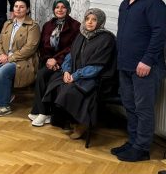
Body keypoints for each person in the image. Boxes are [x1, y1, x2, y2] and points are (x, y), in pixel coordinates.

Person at [113, 0, 166, 162]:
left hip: (145, 67)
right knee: (129, 106)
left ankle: (142, 148)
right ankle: (133, 141)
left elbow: (159, 34)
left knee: (143, 109)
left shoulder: (155, 4)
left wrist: (147, 60)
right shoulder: (124, 4)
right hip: (125, 66)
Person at [42, 8, 117, 140]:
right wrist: (66, 71)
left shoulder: (106, 39)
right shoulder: (82, 34)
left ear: (100, 22)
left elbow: (97, 67)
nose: (89, 22)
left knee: (70, 90)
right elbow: (70, 56)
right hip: (75, 73)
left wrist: (75, 76)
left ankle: (81, 124)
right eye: (87, 19)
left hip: (94, 78)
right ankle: (68, 120)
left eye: (94, 20)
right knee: (56, 82)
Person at [29, 0, 80, 127]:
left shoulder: (76, 26)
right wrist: (48, 60)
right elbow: (42, 46)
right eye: (57, 7)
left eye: (63, 7)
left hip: (64, 62)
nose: (60, 10)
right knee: (41, 74)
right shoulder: (48, 25)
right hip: (48, 61)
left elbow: (72, 48)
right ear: (54, 10)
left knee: (43, 75)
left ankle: (43, 113)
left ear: (68, 9)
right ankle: (40, 111)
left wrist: (56, 60)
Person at [0, 0, 40, 117]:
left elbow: (30, 48)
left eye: (22, 7)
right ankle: (7, 95)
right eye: (16, 6)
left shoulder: (33, 26)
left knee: (3, 71)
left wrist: (9, 58)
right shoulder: (7, 23)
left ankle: (3, 106)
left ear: (27, 9)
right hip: (6, 57)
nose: (18, 9)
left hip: (23, 60)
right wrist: (1, 54)